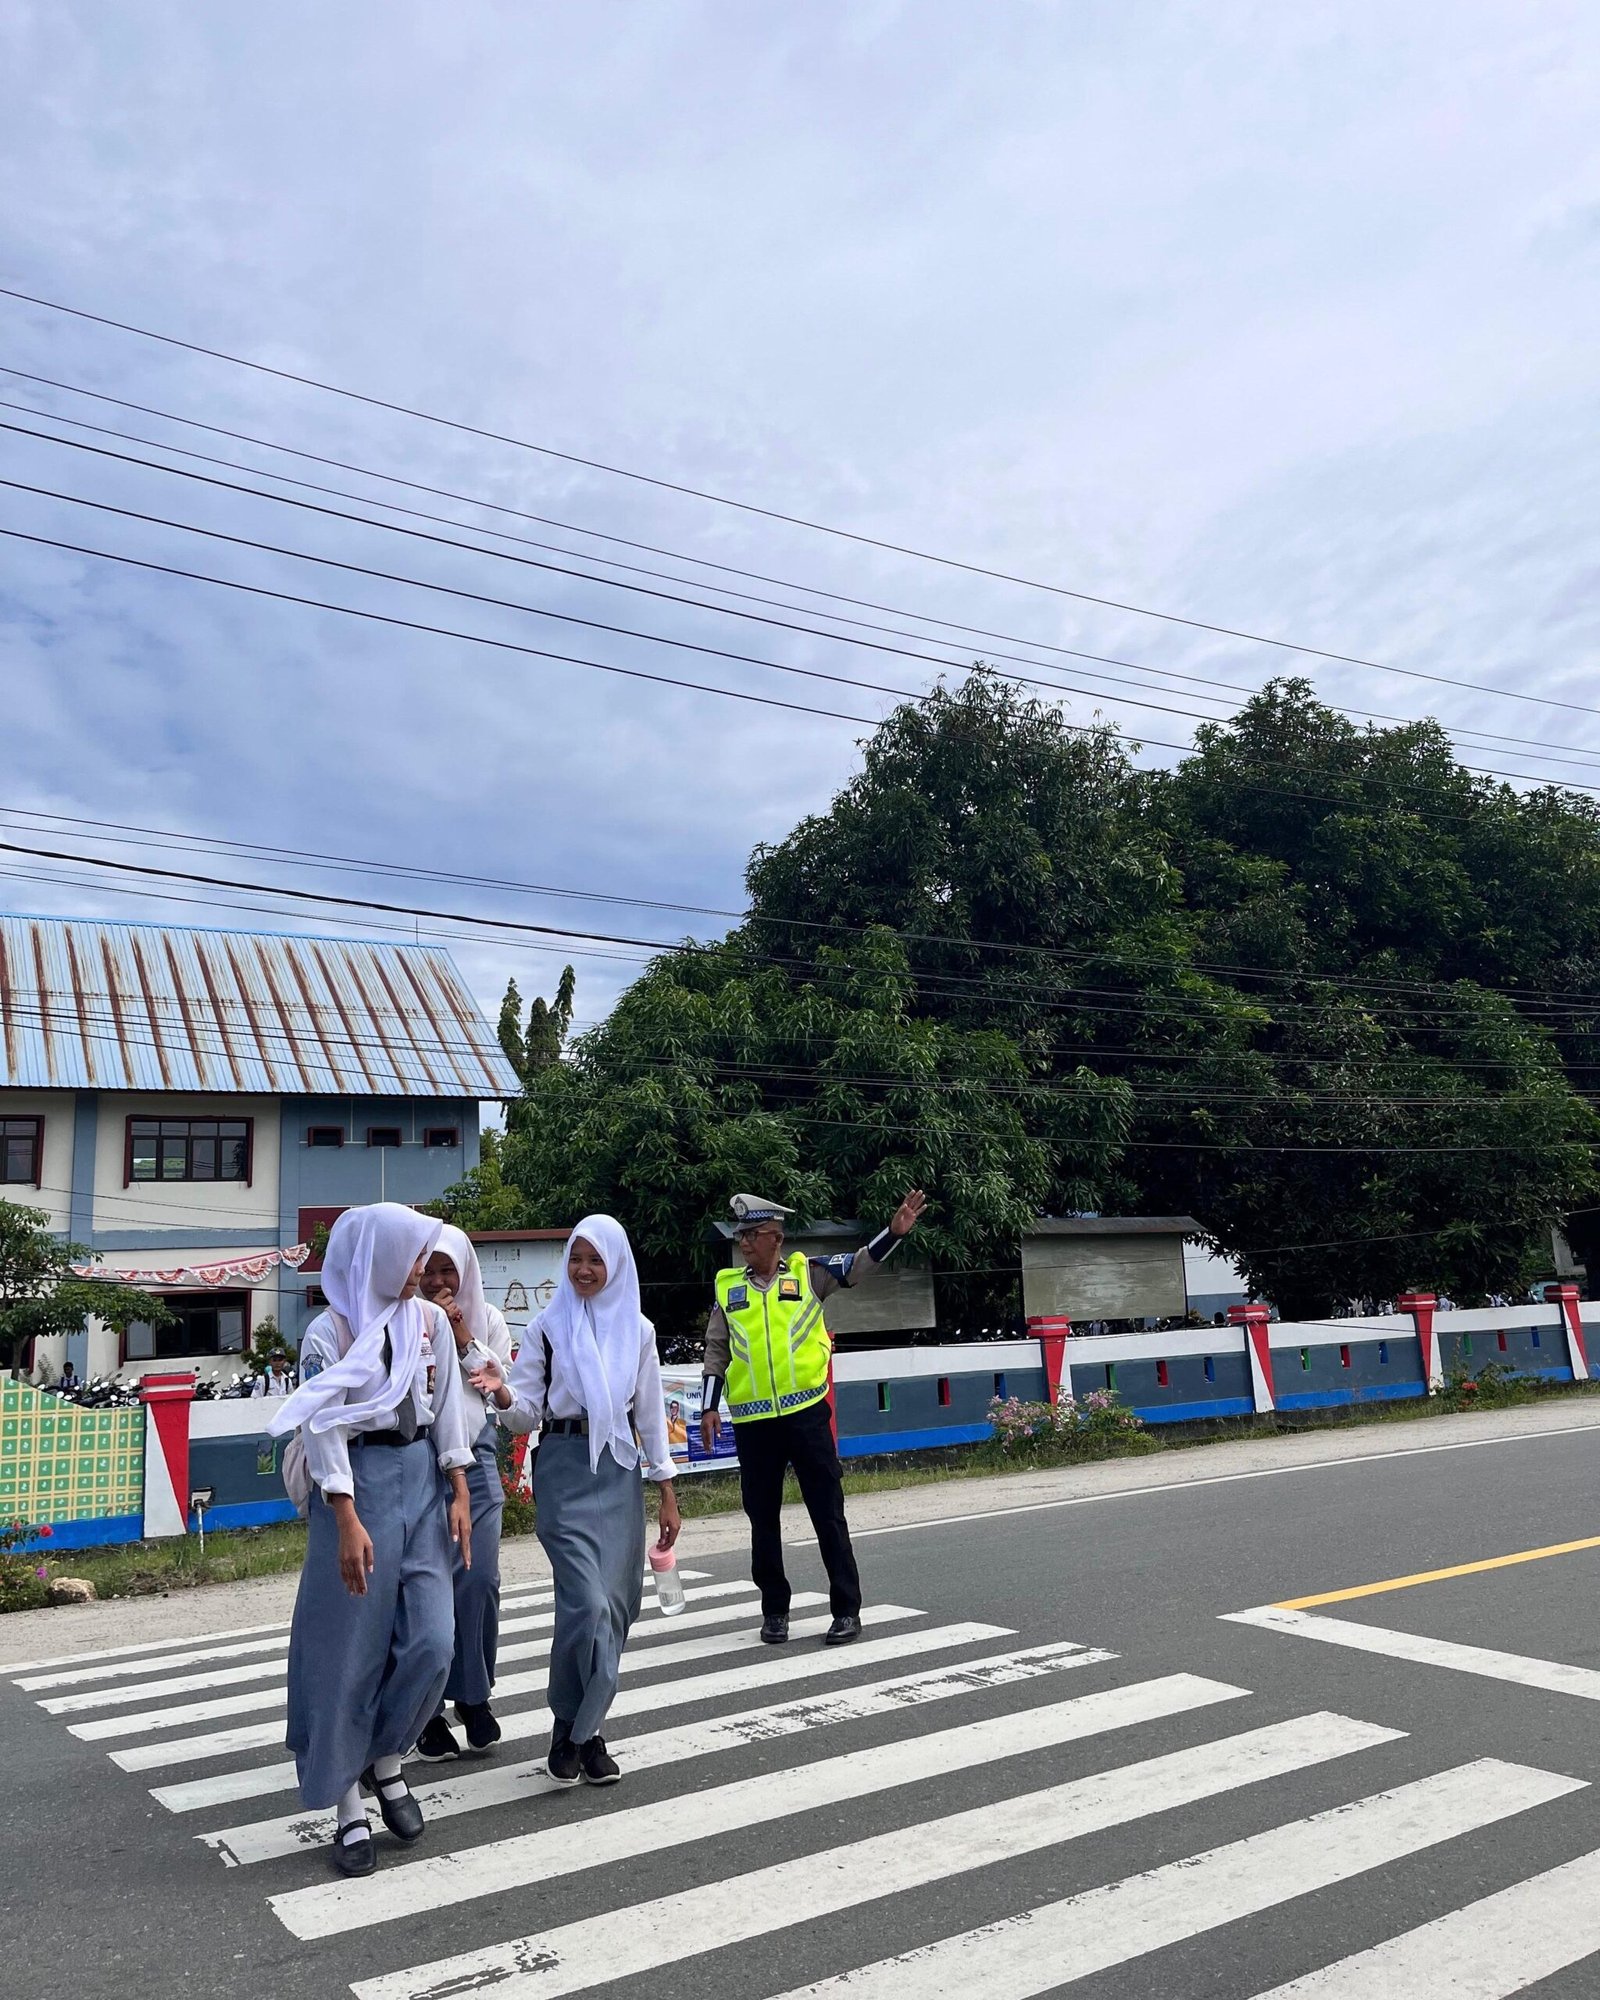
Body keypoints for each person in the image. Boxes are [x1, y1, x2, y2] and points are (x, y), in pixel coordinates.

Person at [266, 1203, 475, 1878]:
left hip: (421, 1479)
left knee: (433, 1641)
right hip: (354, 1489)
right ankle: (349, 1805)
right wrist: (345, 1514)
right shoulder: (329, 1332)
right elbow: (323, 1423)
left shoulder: (428, 1322)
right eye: (411, 1257)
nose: (421, 1271)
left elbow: (447, 1410)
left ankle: (385, 1757)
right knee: (348, 1651)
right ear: (379, 1258)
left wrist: (460, 1486)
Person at [472, 1215, 680, 1787]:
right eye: (575, 1259)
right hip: (564, 1468)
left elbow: (649, 1416)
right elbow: (525, 1413)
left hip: (618, 1471)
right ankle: (575, 1727)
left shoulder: (638, 1331)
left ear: (615, 1264)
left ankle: (580, 1732)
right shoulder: (547, 1327)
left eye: (595, 1260)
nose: (583, 1270)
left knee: (616, 1607)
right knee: (586, 1604)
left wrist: (666, 1492)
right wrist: (503, 1391)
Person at [699, 1189, 926, 1647]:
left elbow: (859, 1265)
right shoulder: (729, 1287)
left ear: (776, 1238)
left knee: (828, 1515)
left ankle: (846, 1610)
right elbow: (716, 1351)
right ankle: (775, 1611)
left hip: (806, 1417)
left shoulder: (809, 1274)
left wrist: (893, 1233)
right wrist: (708, 1406)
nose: (744, 1242)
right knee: (762, 1521)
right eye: (741, 1235)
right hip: (753, 1424)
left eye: (753, 1234)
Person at [414, 1223, 514, 1761]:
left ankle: (473, 1696)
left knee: (479, 1580)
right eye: (427, 1270)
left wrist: (459, 1331)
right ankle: (424, 1711)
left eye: (447, 1270)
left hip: (477, 1457)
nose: (437, 1281)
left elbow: (499, 1391)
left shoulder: (489, 1319)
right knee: (426, 1587)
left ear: (465, 1271)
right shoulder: (404, 1318)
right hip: (419, 1461)